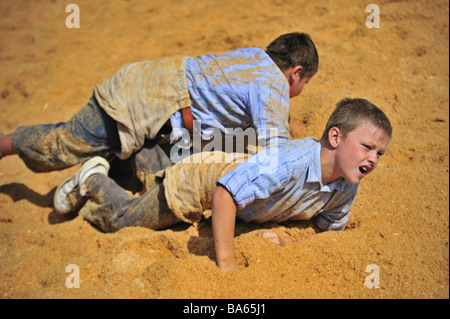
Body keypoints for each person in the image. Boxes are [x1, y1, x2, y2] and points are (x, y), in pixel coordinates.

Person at [51, 97, 392, 272]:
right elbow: (224, 193)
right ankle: (94, 176)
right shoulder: (286, 163)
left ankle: (143, 153)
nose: (373, 159)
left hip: (235, 179)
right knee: (124, 220)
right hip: (203, 184)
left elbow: (326, 229)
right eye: (367, 147)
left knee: (153, 175)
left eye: (380, 153)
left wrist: (288, 241)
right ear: (335, 136)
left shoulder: (347, 185)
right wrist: (225, 262)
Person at [0, 32, 318, 172]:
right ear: (296, 73)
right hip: (141, 101)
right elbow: (278, 155)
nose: (298, 92)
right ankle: (3, 146)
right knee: (63, 145)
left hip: (151, 85)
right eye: (304, 84)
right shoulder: (273, 83)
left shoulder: (254, 58)